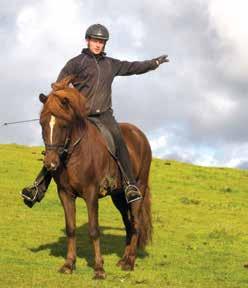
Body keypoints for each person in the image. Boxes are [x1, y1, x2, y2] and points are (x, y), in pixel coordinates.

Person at [21, 23, 169, 207]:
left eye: (101, 42)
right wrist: (54, 105)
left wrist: (153, 63)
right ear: (88, 40)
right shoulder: (76, 63)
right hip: (82, 117)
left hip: (104, 116)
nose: (98, 44)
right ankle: (38, 187)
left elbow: (132, 67)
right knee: (57, 148)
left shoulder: (111, 64)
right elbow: (59, 87)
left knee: (119, 140)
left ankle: (130, 186)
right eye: (95, 41)